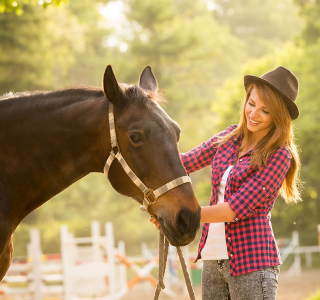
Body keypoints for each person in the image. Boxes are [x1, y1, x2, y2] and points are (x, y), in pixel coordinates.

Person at [150, 65, 301, 300]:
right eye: (251, 103)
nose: (254, 114)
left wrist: (185, 215)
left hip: (253, 262)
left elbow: (235, 209)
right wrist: (143, 157)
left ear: (278, 116)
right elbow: (184, 163)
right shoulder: (230, 137)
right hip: (212, 258)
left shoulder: (279, 155)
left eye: (265, 110)